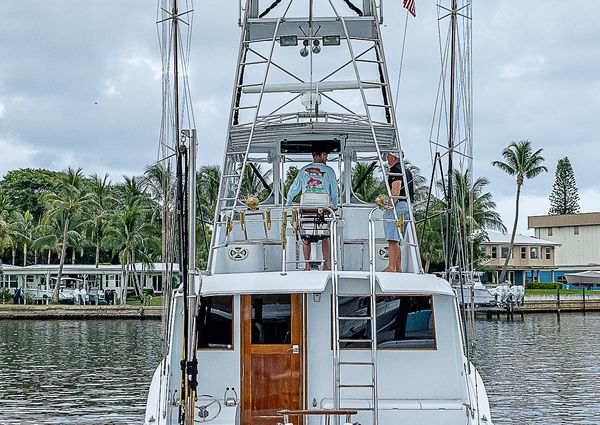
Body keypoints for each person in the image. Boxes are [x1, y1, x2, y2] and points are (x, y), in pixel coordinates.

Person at [286, 151, 338, 270]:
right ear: (318, 156)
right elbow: (334, 191)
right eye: (324, 155)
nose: (326, 158)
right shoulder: (329, 171)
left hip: (306, 208)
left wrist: (289, 203)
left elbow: (294, 188)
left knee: (306, 237)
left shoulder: (303, 170)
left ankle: (307, 265)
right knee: (325, 237)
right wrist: (334, 206)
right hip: (323, 209)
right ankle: (326, 265)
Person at [383, 152, 413, 272]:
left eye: (388, 156)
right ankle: (397, 267)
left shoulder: (396, 170)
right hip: (406, 206)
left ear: (394, 157)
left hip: (398, 206)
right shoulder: (407, 171)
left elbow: (396, 188)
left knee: (392, 239)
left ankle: (392, 267)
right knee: (397, 240)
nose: (386, 158)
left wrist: (390, 205)